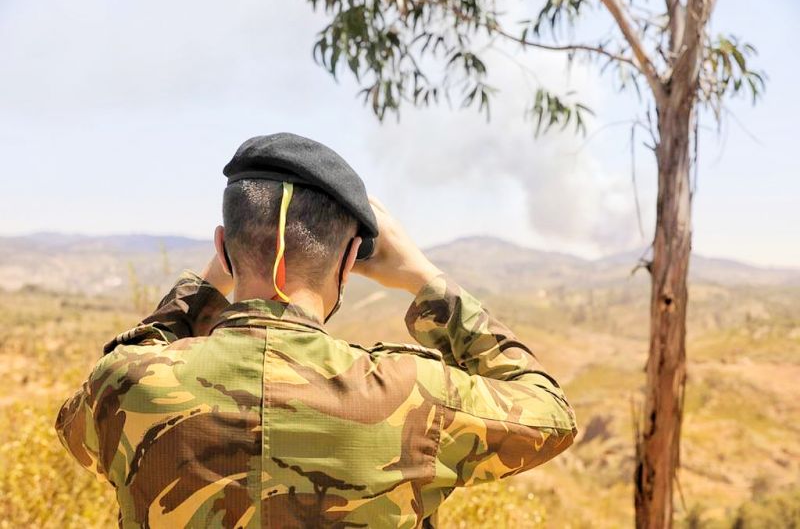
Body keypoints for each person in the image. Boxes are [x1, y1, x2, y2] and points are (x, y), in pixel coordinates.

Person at [55, 133, 577, 528]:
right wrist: (425, 279)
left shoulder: (125, 385)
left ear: (221, 246)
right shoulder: (413, 396)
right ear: (350, 259)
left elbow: (76, 434)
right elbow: (553, 417)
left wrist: (207, 288)